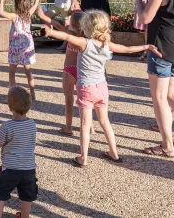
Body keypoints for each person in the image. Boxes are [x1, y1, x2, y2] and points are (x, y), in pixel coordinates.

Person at [43, 10, 160, 166]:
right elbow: (126, 49)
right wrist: (147, 46)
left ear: (87, 27)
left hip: (86, 88)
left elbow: (67, 37)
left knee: (85, 124)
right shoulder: (107, 45)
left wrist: (50, 31)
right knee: (105, 122)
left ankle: (83, 157)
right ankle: (114, 153)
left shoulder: (85, 43)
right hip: (102, 87)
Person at [137, 0, 174, 157]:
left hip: (159, 47)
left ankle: (167, 145)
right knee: (170, 95)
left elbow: (144, 19)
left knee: (159, 96)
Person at [0, 86, 37, 218]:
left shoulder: (7, 126)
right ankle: (25, 216)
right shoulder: (32, 124)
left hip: (10, 168)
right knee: (27, 196)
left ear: (10, 106)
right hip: (29, 168)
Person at [37, 8, 86, 135]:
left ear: (72, 24)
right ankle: (89, 127)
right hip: (83, 71)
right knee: (85, 103)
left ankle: (68, 127)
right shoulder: (87, 38)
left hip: (69, 70)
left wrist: (42, 15)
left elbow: (56, 24)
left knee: (69, 99)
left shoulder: (70, 35)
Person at [0, 0, 42, 101]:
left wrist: (2, 0)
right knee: (28, 71)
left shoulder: (15, 16)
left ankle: (12, 96)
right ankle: (33, 93)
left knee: (12, 72)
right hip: (27, 46)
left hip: (15, 47)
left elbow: (1, 13)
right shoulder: (29, 14)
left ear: (17, 6)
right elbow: (36, 4)